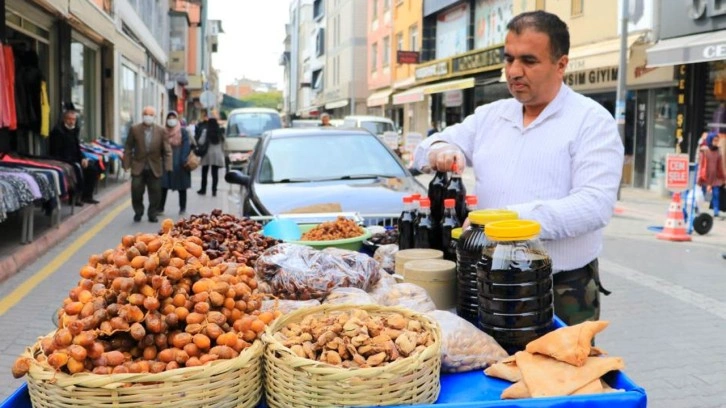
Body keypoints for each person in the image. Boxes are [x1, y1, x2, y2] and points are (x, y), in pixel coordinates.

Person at [414, 10, 624, 326]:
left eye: (528, 60)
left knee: (559, 372)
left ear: (561, 64)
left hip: (562, 285)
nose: (514, 71)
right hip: (490, 278)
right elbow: (424, 151)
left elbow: (593, 206)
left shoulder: (591, 122)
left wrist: (506, 222)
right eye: (509, 58)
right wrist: (441, 149)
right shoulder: (491, 116)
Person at [123, 106, 172, 222]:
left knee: (155, 193)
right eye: (146, 114)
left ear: (154, 117)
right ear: (142, 115)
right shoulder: (134, 129)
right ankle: (138, 211)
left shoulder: (161, 131)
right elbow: (128, 147)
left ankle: (152, 214)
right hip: (138, 165)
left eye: (150, 115)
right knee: (136, 190)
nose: (148, 117)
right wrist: (126, 164)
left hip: (155, 166)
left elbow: (167, 150)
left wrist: (168, 166)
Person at [48, 109, 100, 205]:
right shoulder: (58, 131)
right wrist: (74, 161)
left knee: (92, 168)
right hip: (63, 160)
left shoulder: (75, 130)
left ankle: (87, 196)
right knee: (76, 170)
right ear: (64, 119)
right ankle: (74, 199)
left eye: (74, 119)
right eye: (69, 119)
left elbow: (77, 148)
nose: (72, 121)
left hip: (75, 158)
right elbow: (56, 151)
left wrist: (83, 158)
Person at [159, 111, 192, 215]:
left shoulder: (183, 131)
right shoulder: (163, 131)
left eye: (173, 117)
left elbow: (187, 145)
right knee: (163, 185)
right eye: (169, 117)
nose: (171, 120)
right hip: (166, 161)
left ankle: (182, 208)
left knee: (182, 187)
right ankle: (160, 208)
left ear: (177, 119)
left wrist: (183, 159)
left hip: (180, 160)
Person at [697, 132, 725, 219]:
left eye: (717, 140)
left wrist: (723, 177)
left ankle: (716, 212)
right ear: (710, 140)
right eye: (714, 140)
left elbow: (720, 165)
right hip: (705, 175)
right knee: (702, 193)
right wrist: (699, 176)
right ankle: (697, 208)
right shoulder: (704, 150)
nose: (716, 142)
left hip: (715, 176)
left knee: (716, 194)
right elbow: (701, 164)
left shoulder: (718, 151)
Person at [196, 117, 225, 196]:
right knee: (215, 173)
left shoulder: (206, 131)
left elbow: (200, 142)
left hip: (207, 154)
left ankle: (203, 189)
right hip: (217, 155)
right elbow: (223, 144)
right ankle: (214, 191)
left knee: (204, 173)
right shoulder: (220, 132)